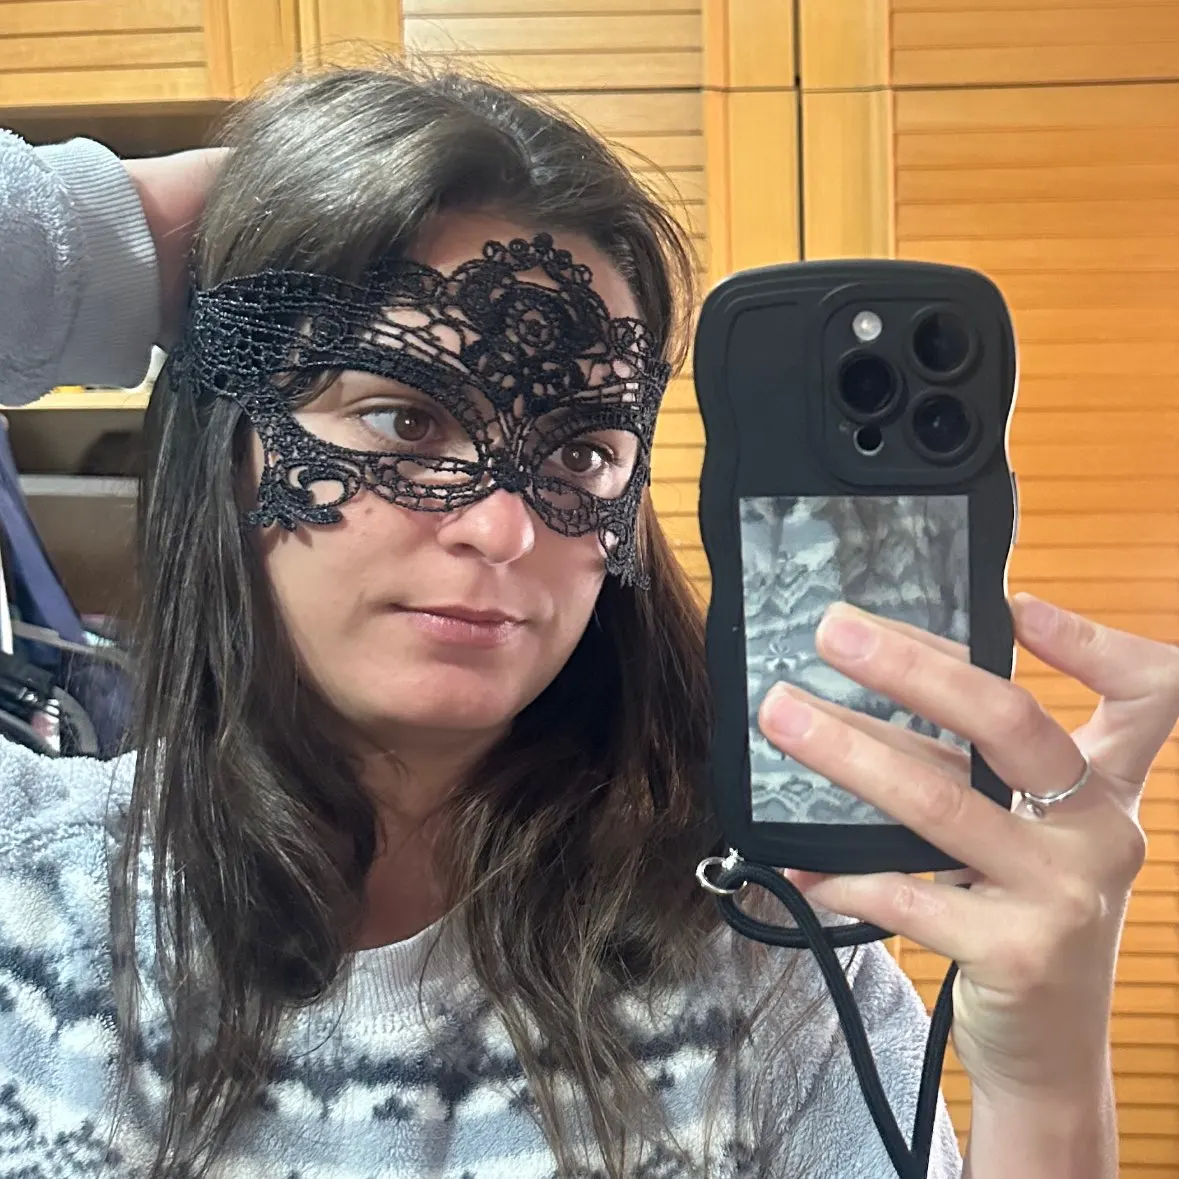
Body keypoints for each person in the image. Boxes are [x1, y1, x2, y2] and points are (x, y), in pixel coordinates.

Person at [0, 61, 1174, 1179]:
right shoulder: (24, 882)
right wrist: (152, 229)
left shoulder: (760, 956)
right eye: (405, 420)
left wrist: (1046, 1080)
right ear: (228, 441)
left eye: (579, 452)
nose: (505, 528)